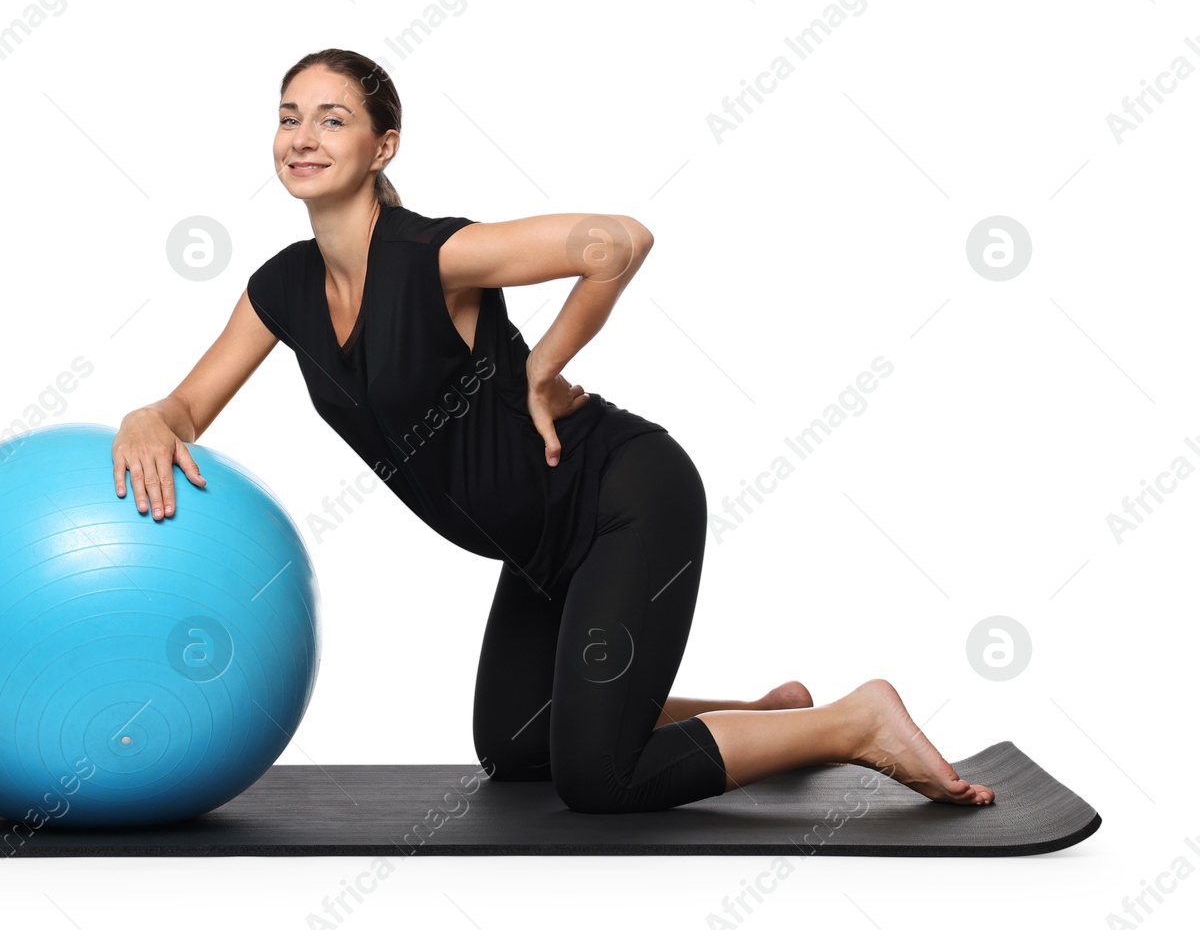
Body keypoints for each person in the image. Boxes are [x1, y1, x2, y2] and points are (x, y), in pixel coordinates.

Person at [112, 48, 994, 813]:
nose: (302, 137)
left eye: (331, 119)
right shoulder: (285, 288)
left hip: (622, 499)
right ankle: (772, 720)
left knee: (598, 779)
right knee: (516, 749)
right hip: (540, 548)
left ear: (382, 147)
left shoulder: (436, 258)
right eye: (288, 118)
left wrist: (544, 362)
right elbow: (183, 410)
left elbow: (618, 239)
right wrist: (146, 420)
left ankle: (853, 723)